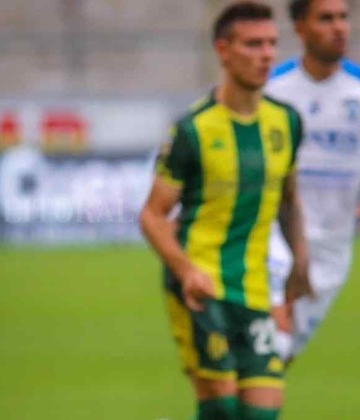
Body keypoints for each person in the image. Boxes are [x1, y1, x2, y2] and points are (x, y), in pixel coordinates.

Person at [139, 2, 311, 419]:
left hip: (255, 289)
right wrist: (186, 271)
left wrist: (298, 267)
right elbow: (152, 215)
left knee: (262, 412)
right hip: (202, 291)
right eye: (253, 44)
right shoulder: (193, 129)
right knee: (223, 409)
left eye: (271, 43)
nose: (266, 55)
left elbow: (288, 202)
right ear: (223, 50)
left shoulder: (286, 122)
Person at [267, 0, 360, 365]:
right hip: (274, 238)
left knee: (279, 359)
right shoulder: (274, 89)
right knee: (269, 346)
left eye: (343, 18)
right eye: (326, 18)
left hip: (331, 249)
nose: (339, 27)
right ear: (300, 27)